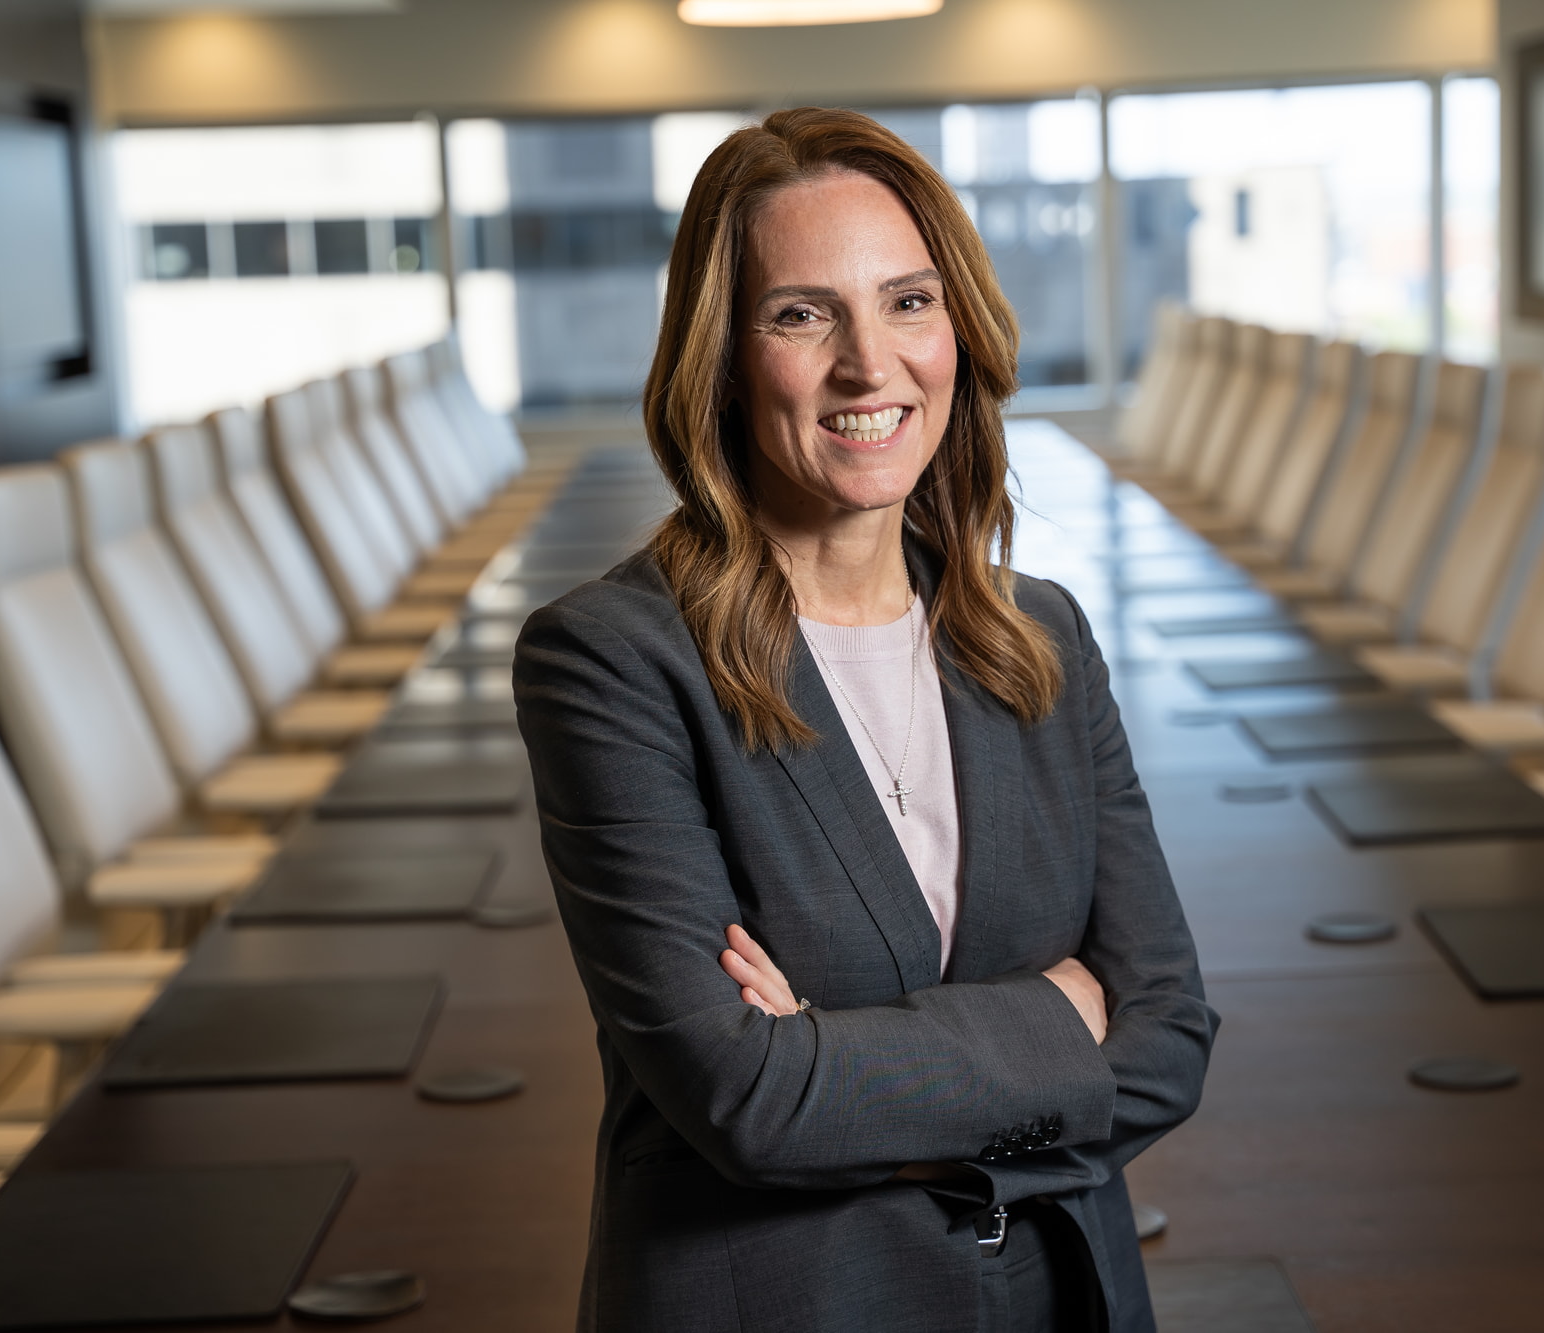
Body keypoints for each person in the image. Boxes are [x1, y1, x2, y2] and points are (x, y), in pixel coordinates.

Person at [514, 106, 1217, 1333]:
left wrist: (844, 1069)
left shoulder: (1040, 639)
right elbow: (746, 1099)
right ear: (720, 356)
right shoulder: (613, 664)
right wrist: (1057, 1020)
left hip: (1060, 1297)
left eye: (907, 301)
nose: (868, 364)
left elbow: (1164, 1040)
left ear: (960, 330)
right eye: (800, 314)